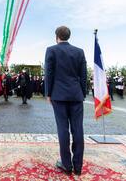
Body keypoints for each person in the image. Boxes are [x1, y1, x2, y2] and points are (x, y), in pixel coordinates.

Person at [44, 26, 87, 176]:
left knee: (63, 129)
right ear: (69, 36)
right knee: (78, 129)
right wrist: (83, 93)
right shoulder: (79, 51)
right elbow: (83, 75)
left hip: (59, 95)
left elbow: (48, 73)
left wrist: (48, 93)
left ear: (57, 36)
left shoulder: (51, 50)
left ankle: (66, 164)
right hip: (76, 95)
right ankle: (78, 166)